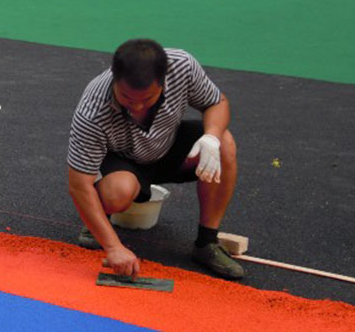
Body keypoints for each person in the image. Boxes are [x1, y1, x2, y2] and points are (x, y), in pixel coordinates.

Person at [67, 38, 244, 280]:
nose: (137, 107)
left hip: (168, 145)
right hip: (124, 160)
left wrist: (211, 137)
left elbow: (217, 102)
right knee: (115, 193)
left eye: (147, 99)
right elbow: (79, 185)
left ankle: (207, 244)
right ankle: (100, 221)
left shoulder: (182, 67)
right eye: (127, 98)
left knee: (225, 144)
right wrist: (113, 247)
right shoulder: (93, 108)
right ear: (114, 78)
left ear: (163, 81)